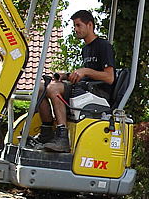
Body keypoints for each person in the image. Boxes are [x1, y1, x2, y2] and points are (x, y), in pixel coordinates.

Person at [36, 10, 116, 152]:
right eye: (74, 26)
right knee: (41, 88)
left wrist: (85, 71)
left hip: (99, 93)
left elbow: (109, 77)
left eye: (78, 25)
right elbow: (87, 75)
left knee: (54, 89)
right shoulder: (85, 49)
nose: (75, 30)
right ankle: (47, 131)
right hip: (85, 88)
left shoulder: (104, 46)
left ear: (89, 25)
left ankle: (62, 138)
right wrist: (65, 76)